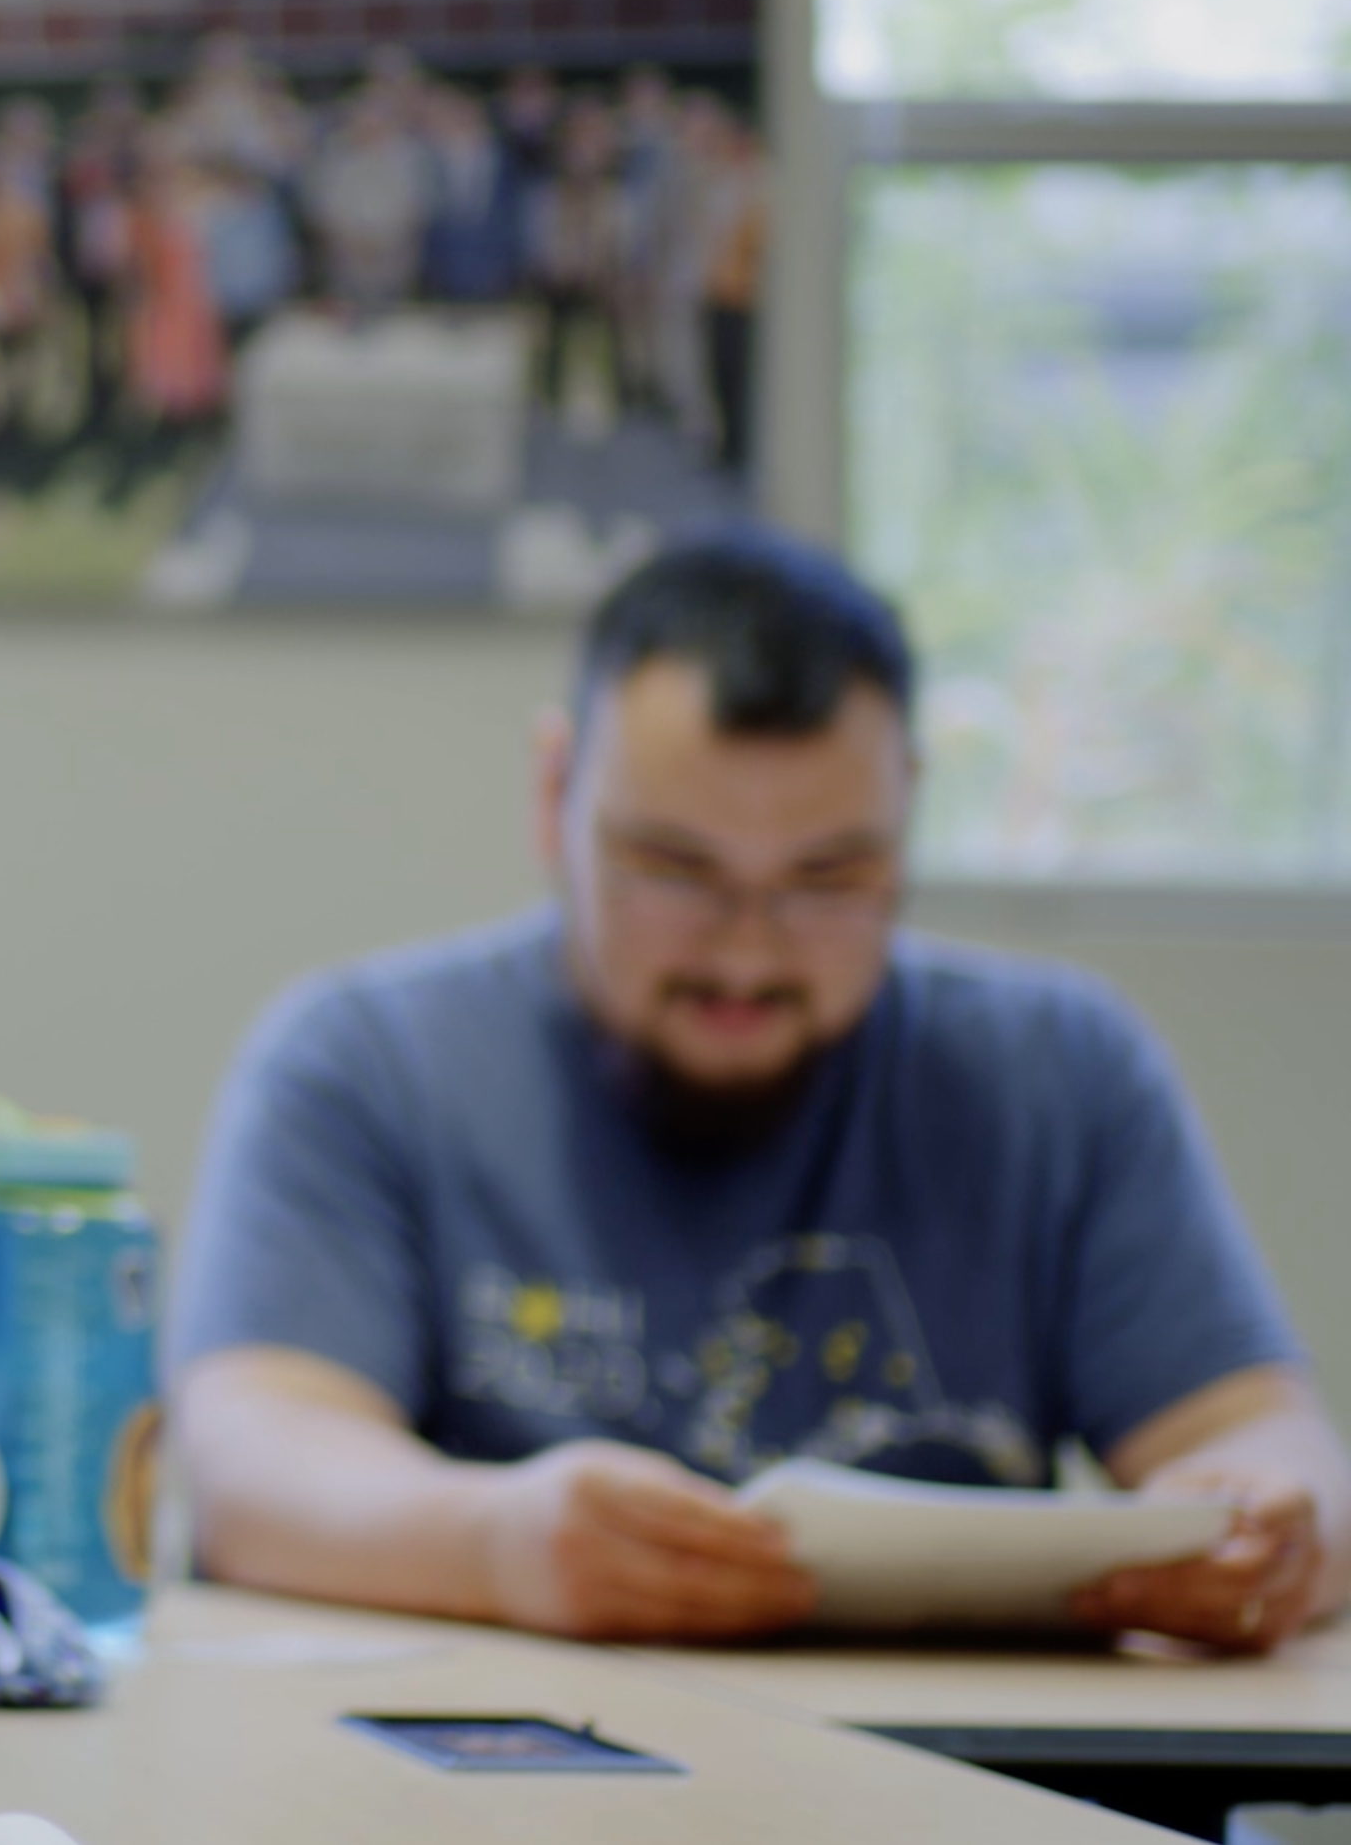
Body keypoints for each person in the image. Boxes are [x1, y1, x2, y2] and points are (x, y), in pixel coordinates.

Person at [169, 529, 1351, 1649]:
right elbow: (251, 1456)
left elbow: (1254, 1435)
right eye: (673, 870)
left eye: (827, 877)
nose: (744, 954)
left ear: (906, 819)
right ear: (553, 796)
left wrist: (1264, 1526)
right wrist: (494, 1543)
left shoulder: (1059, 1069)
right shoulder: (366, 1061)